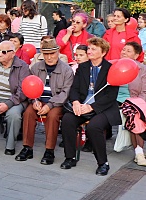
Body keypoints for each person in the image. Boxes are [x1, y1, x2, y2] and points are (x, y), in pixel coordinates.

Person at [60, 37, 119, 176]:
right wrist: (75, 102)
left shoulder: (111, 69)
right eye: (89, 48)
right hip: (82, 104)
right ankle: (70, 157)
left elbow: (111, 96)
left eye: (93, 49)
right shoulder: (83, 67)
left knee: (94, 127)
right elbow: (74, 88)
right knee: (68, 120)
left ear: (103, 52)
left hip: (102, 108)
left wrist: (92, 107)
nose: (89, 51)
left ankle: (103, 163)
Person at [17, 37, 74, 165]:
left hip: (56, 103)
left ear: (58, 52)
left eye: (52, 54)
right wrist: (34, 101)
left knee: (53, 116)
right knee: (28, 113)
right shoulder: (36, 68)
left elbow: (65, 93)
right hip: (39, 100)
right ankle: (27, 147)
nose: (49, 57)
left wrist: (50, 105)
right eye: (46, 54)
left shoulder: (66, 70)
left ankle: (49, 150)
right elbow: (29, 87)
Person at [120, 42, 146, 166]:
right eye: (123, 50)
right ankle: (139, 152)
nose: (124, 52)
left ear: (136, 56)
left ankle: (139, 152)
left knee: (135, 113)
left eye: (128, 51)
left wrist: (138, 104)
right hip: (114, 100)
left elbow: (144, 91)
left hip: (134, 99)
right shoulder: (114, 65)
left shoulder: (142, 69)